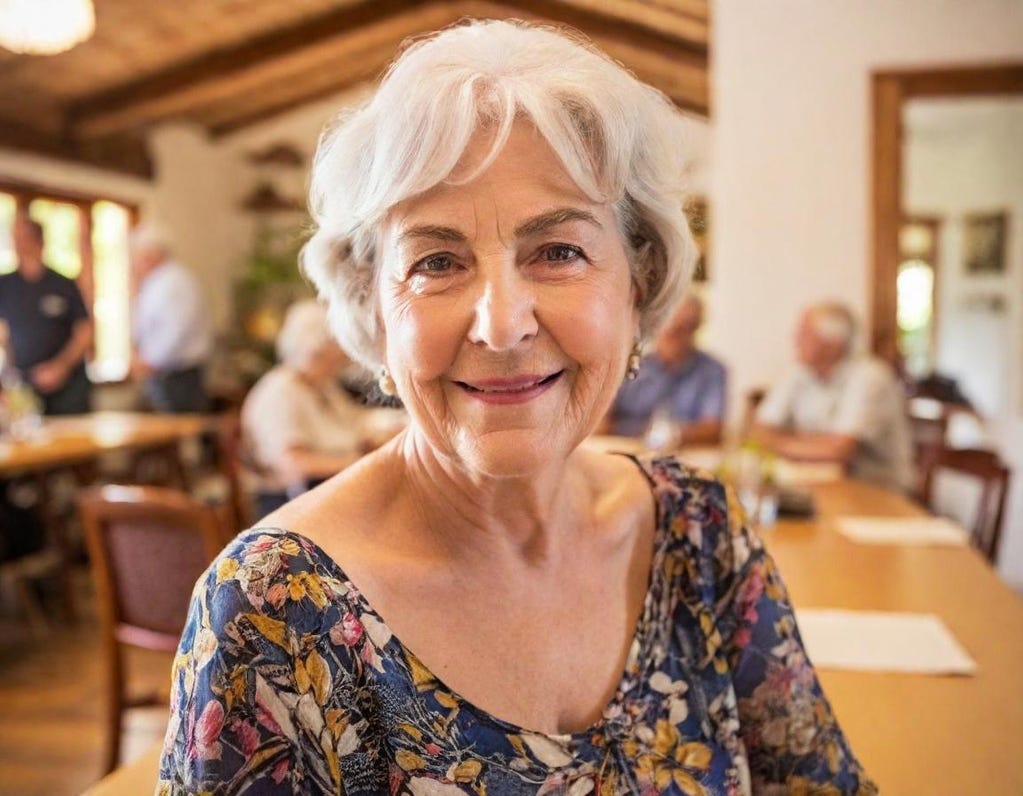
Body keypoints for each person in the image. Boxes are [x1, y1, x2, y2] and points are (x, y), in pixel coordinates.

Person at [159, 21, 875, 794]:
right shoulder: (271, 612)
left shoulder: (701, 538)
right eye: (437, 261)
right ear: (373, 309)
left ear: (637, 284)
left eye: (558, 251)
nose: (501, 325)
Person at [241, 299, 402, 517]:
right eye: (338, 345)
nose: (344, 355)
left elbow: (353, 420)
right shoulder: (280, 391)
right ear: (318, 350)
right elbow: (293, 463)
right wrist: (358, 463)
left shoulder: (321, 385)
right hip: (292, 503)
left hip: (328, 490)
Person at [753, 301, 913, 491]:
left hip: (877, 492)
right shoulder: (798, 374)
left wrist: (785, 440)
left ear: (833, 343)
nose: (795, 339)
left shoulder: (870, 377)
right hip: (818, 486)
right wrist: (819, 443)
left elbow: (839, 451)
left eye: (805, 333)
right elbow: (759, 432)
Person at [0, 215, 92, 415]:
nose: (18, 244)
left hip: (68, 387)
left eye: (23, 238)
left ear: (39, 241)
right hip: (24, 387)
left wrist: (61, 367)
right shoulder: (5, 285)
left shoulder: (63, 284)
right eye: (15, 238)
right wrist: (7, 379)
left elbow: (85, 330)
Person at [608, 292, 727, 445]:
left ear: (696, 328)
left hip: (683, 452)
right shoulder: (630, 364)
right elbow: (601, 422)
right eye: (669, 326)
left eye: (683, 328)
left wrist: (669, 435)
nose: (673, 334)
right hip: (623, 449)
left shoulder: (712, 371)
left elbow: (712, 430)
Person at [129, 224, 212, 413]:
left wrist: (150, 361)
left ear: (152, 254)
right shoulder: (157, 282)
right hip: (166, 373)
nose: (135, 262)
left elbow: (176, 330)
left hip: (177, 375)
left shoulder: (174, 282)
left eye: (138, 255)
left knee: (178, 426)